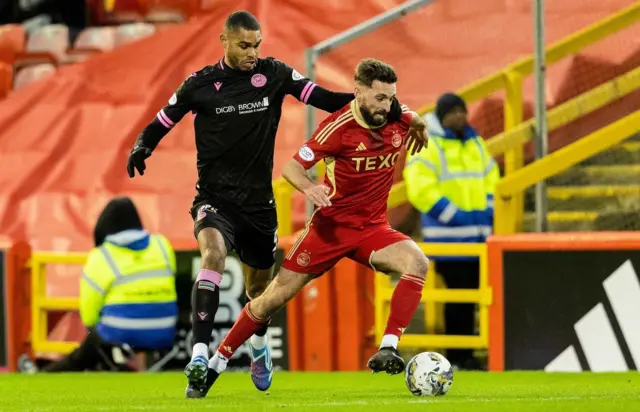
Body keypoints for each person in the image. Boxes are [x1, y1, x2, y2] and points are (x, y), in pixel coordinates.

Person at [126, 11, 420, 397]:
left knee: (259, 292)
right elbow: (164, 120)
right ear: (225, 41)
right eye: (245, 45)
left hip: (259, 204)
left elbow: (328, 99)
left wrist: (394, 108)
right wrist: (143, 144)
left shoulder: (276, 74)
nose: (252, 53)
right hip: (215, 199)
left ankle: (259, 348)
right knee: (212, 255)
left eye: (257, 45)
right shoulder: (200, 85)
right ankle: (201, 356)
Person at [187, 58, 430, 395]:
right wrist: (309, 188)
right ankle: (217, 363)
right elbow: (291, 167)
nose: (385, 107)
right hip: (328, 231)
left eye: (390, 99)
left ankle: (388, 347)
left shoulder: (396, 118)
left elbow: (410, 114)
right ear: (358, 92)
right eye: (379, 98)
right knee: (271, 298)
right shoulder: (337, 128)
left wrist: (418, 122)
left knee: (417, 262)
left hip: (372, 229)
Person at [19, 197, 177, 373]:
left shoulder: (101, 256)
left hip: (119, 332)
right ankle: (129, 366)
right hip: (164, 328)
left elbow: (89, 313)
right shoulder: (162, 245)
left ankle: (42, 374)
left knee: (83, 354)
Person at [403, 92, 499, 370]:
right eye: (453, 112)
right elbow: (420, 188)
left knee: (471, 297)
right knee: (458, 298)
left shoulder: (475, 143)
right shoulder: (427, 143)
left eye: (462, 111)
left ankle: (466, 355)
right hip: (449, 238)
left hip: (480, 236)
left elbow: (492, 176)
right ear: (442, 116)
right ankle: (457, 357)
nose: (459, 116)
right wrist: (454, 215)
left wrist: (488, 211)